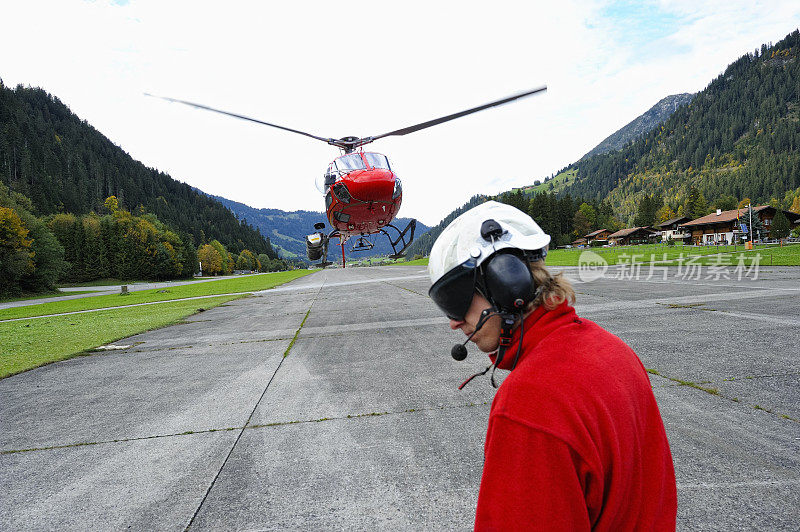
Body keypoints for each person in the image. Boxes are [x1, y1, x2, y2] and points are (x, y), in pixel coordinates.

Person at [427, 201, 677, 531]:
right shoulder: (613, 350)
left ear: (507, 285)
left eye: (456, 300)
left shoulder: (529, 404)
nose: (454, 323)